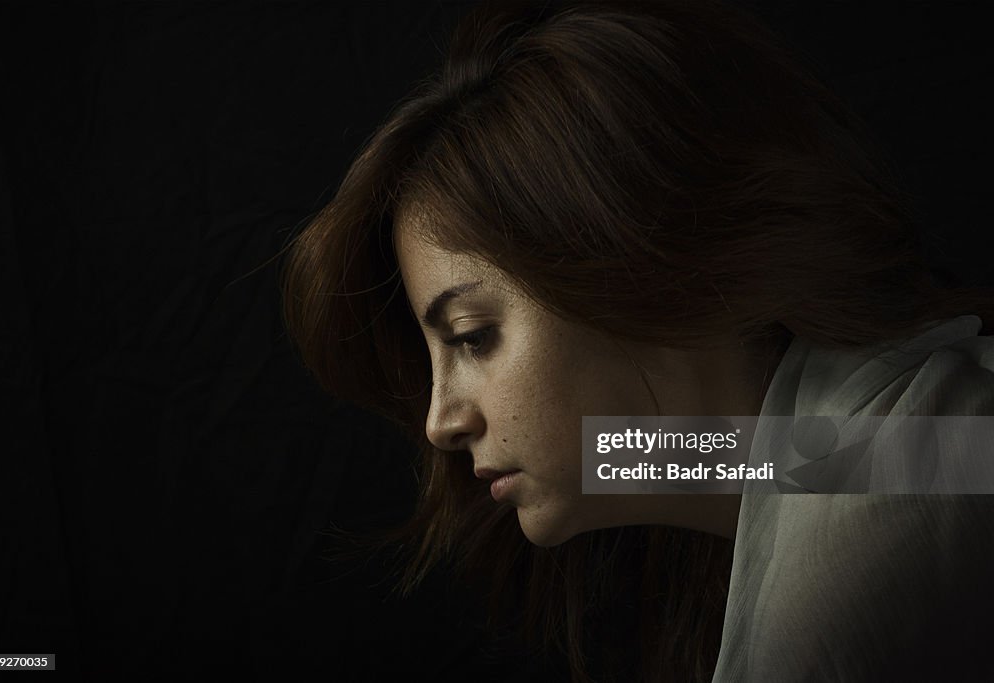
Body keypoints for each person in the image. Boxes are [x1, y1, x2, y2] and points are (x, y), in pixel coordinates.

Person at [282, 1, 994, 680]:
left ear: (634, 265)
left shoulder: (892, 513)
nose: (441, 420)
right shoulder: (848, 451)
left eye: (473, 335)